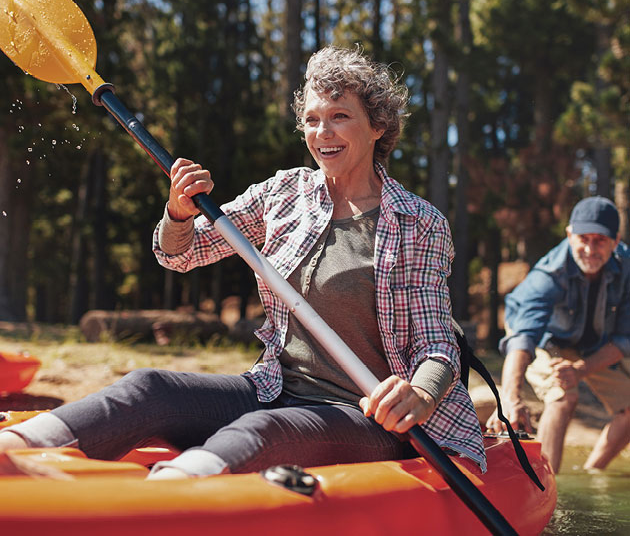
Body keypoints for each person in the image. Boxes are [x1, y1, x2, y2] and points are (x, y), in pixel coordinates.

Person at [0, 45, 485, 478]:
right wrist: (178, 213)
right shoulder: (284, 193)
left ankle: (169, 497)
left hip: (365, 415)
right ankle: (13, 451)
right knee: (149, 387)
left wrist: (419, 395)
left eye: (340, 116)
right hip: (274, 387)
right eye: (312, 119)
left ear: (378, 126)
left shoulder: (417, 221)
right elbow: (182, 254)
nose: (323, 133)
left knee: (264, 429)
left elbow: (436, 343)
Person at [486, 196, 630, 473]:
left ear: (616, 240)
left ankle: (591, 473)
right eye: (582, 238)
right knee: (563, 396)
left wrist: (581, 369)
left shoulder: (626, 270)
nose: (589, 248)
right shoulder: (550, 272)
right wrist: (511, 399)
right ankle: (548, 479)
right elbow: (523, 337)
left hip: (593, 346)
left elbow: (624, 340)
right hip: (545, 341)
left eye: (599, 240)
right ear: (569, 234)